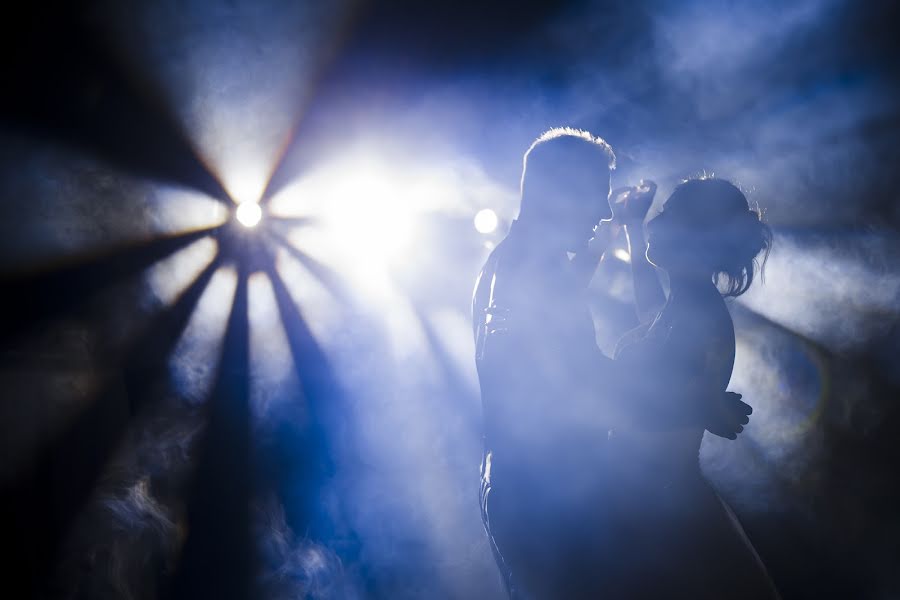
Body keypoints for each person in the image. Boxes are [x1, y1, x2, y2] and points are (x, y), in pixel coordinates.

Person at [472, 129, 751, 599]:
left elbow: (590, 350)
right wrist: (695, 404)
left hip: (568, 498)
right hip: (543, 497)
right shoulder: (535, 274)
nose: (605, 210)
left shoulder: (514, 264)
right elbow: (580, 380)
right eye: (596, 193)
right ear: (562, 191)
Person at [606, 176, 781, 599]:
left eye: (667, 216)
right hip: (654, 500)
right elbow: (649, 311)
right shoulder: (686, 302)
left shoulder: (699, 314)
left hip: (660, 516)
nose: (656, 224)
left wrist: (696, 407)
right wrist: (631, 225)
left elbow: (650, 404)